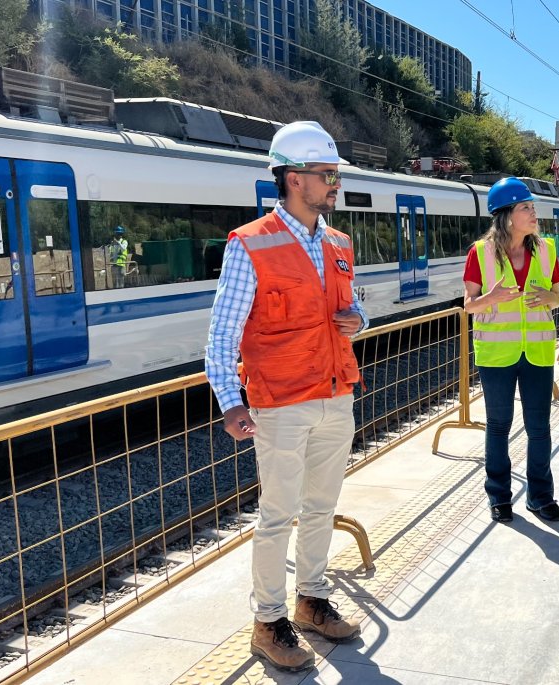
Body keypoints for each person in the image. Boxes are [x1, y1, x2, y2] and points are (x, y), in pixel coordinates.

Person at [205, 121, 366, 671]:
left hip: (335, 394)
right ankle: (268, 621)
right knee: (277, 515)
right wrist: (230, 400)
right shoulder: (250, 244)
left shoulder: (339, 243)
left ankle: (311, 601)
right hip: (280, 401)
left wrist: (359, 320)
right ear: (295, 179)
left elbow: (353, 308)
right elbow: (222, 333)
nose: (336, 184)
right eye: (328, 175)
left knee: (321, 507)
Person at [462, 177, 559, 523]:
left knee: (539, 428)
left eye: (533, 207)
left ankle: (540, 497)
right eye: (525, 208)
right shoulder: (480, 253)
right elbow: (469, 305)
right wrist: (489, 298)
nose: (534, 213)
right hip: (496, 356)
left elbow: (557, 297)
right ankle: (499, 496)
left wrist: (549, 297)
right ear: (506, 216)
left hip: (537, 353)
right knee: (498, 425)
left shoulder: (547, 250)